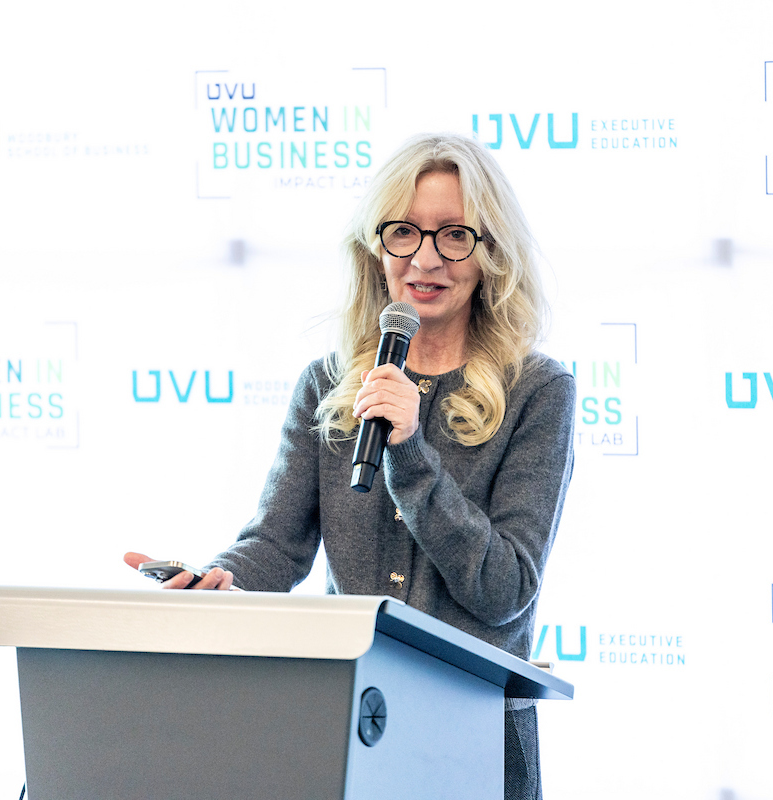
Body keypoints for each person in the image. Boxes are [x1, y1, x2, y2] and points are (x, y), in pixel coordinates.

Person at [125, 132, 575, 800]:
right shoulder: (329, 385)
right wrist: (221, 585)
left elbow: (505, 590)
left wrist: (411, 456)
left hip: (476, 738)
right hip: (353, 723)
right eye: (404, 233)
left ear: (490, 254)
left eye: (454, 235)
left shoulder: (536, 389)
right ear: (375, 247)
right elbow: (274, 546)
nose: (425, 258)